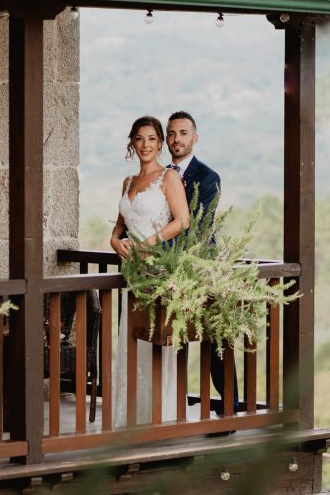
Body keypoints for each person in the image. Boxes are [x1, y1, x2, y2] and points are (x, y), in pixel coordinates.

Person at [110, 116, 189, 426]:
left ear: (160, 144)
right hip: (131, 272)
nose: (145, 145)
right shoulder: (127, 182)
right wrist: (114, 241)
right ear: (132, 142)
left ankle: (161, 418)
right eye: (139, 138)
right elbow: (119, 227)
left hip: (157, 269)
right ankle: (132, 417)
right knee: (131, 340)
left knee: (156, 340)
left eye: (152, 139)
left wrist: (149, 243)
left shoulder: (168, 177)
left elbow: (182, 220)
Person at [165, 110, 239, 416]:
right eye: (171, 134)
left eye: (183, 133)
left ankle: (230, 408)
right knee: (170, 339)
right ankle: (173, 407)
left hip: (203, 271)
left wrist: (156, 247)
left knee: (215, 339)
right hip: (165, 274)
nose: (176, 139)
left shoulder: (209, 177)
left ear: (195, 138)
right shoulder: (160, 176)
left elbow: (199, 226)